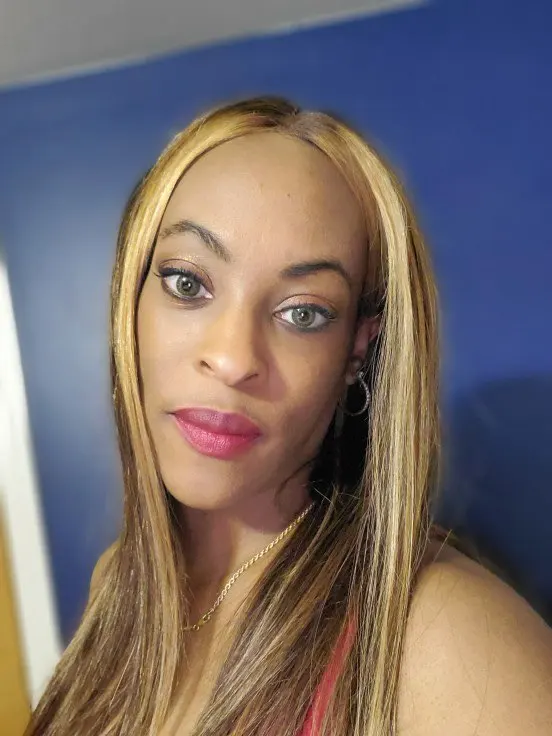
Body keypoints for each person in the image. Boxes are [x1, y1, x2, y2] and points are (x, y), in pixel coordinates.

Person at [26, 97, 552, 736]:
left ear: (356, 352)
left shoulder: (445, 640)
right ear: (130, 301)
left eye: (303, 313)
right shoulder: (117, 587)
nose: (232, 358)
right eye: (188, 283)